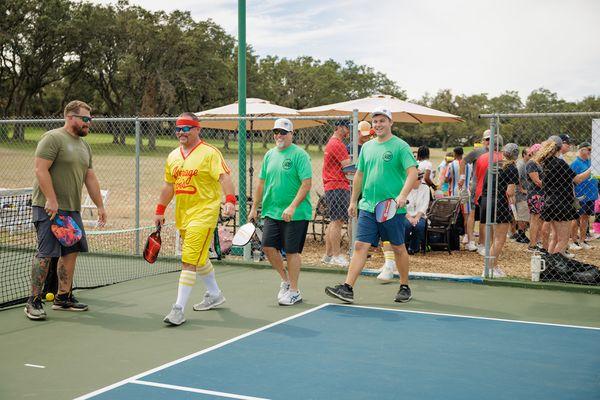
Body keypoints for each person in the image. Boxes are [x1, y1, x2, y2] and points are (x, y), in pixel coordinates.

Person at [325, 106, 418, 304]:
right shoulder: (367, 147)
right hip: (367, 206)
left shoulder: (400, 146)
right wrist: (353, 201)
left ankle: (404, 286)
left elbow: (412, 173)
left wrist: (402, 195)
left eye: (382, 120)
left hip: (391, 208)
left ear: (390, 122)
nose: (378, 124)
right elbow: (359, 175)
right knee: (360, 246)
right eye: (375, 121)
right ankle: (347, 288)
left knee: (398, 248)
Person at [25, 100, 107, 320]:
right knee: (45, 254)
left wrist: (100, 205)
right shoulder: (52, 138)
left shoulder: (84, 146)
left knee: (71, 252)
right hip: (48, 208)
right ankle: (33, 301)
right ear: (71, 117)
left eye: (90, 119)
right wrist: (51, 200)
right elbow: (40, 170)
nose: (89, 123)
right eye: (85, 119)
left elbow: (90, 177)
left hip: (72, 209)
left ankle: (63, 297)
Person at [156, 113, 236, 326]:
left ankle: (178, 309)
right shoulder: (173, 156)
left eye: (186, 128)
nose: (181, 132)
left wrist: (230, 200)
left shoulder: (210, 153)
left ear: (197, 129)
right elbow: (168, 186)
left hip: (204, 214)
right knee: (199, 259)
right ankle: (215, 294)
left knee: (189, 260)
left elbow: (224, 177)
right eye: (178, 128)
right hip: (183, 215)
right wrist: (159, 210)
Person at [249, 118, 312, 306]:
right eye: (276, 132)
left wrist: (292, 206)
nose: (279, 136)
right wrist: (254, 207)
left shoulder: (300, 155)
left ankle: (294, 291)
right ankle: (286, 281)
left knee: (292, 252)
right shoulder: (269, 155)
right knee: (268, 247)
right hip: (271, 211)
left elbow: (306, 184)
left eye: (283, 132)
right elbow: (261, 183)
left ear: (292, 134)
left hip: (297, 213)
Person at [535, 136, 592, 260]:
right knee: (563, 239)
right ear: (560, 147)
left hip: (550, 202)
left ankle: (549, 264)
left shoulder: (546, 162)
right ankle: (556, 265)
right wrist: (592, 169)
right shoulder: (559, 163)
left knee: (555, 237)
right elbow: (577, 179)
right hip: (562, 203)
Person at [458, 129, 503, 254]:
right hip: (476, 187)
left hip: (491, 189)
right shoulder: (477, 152)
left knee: (486, 217)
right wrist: (462, 177)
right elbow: (463, 161)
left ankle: (483, 243)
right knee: (472, 214)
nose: (489, 141)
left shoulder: (499, 153)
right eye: (487, 139)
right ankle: (471, 240)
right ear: (483, 141)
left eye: (491, 139)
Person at [479, 144, 520, 277]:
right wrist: (513, 197)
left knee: (493, 238)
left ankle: (493, 266)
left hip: (486, 200)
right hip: (500, 202)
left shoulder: (494, 165)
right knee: (499, 238)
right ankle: (489, 268)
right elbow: (510, 191)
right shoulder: (512, 168)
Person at [321, 120, 352, 267]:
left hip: (333, 185)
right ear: (339, 128)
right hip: (338, 185)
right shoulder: (338, 144)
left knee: (334, 221)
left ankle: (328, 255)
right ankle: (336, 255)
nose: (348, 131)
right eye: (347, 128)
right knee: (337, 222)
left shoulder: (332, 143)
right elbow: (348, 168)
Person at [446, 147, 476, 250]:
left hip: (455, 191)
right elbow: (471, 177)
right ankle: (467, 236)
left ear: (454, 154)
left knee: (454, 215)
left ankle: (453, 238)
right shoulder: (469, 165)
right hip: (466, 191)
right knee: (467, 215)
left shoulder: (451, 165)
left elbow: (447, 178)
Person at [570, 142, 598, 249]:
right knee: (576, 218)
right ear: (581, 150)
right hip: (580, 195)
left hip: (591, 195)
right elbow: (572, 180)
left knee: (585, 218)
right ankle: (574, 241)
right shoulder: (575, 163)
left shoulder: (591, 162)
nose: (590, 152)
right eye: (588, 150)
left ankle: (582, 240)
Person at [524, 143, 546, 252]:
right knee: (535, 219)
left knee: (538, 219)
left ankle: (536, 242)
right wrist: (551, 186)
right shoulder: (532, 163)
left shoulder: (538, 163)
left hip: (540, 194)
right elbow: (537, 181)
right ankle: (532, 244)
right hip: (535, 194)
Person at [514, 148, 532, 244]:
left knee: (524, 214)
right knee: (522, 215)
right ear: (524, 155)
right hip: (520, 194)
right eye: (529, 154)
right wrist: (522, 190)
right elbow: (518, 178)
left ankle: (522, 233)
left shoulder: (527, 164)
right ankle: (521, 235)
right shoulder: (521, 165)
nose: (531, 156)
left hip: (525, 193)